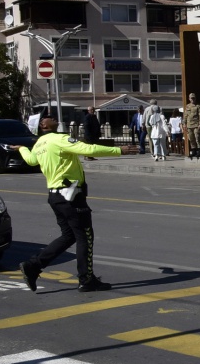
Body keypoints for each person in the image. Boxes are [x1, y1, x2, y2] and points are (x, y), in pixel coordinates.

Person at [17, 117, 124, 293]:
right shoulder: (59, 139)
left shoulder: (39, 144)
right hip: (71, 196)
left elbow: (30, 160)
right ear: (43, 126)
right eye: (46, 117)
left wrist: (21, 148)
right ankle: (86, 279)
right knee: (85, 236)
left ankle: (33, 266)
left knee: (69, 236)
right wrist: (118, 150)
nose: (50, 117)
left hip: (55, 197)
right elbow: (87, 149)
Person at [182, 94, 200, 160]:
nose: (192, 99)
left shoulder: (198, 106)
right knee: (191, 138)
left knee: (197, 137)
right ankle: (193, 150)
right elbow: (185, 116)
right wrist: (184, 124)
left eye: (193, 98)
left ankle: (199, 150)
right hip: (189, 125)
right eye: (191, 98)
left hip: (196, 124)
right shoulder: (188, 106)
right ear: (189, 99)